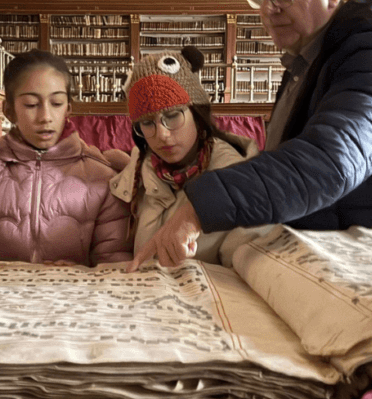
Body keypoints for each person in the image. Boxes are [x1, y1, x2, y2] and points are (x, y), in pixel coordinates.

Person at [129, 0, 372, 270]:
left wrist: (197, 207)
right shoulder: (303, 63)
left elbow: (330, 161)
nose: (267, 8)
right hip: (338, 262)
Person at [0, 49, 133, 266]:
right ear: (9, 111)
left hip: (74, 296)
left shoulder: (101, 178)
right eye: (31, 104)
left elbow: (115, 260)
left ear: (69, 109)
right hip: (0, 296)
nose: (45, 117)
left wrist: (82, 274)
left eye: (57, 104)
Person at [109, 47, 266, 265]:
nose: (162, 135)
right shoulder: (138, 174)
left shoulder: (238, 177)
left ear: (197, 115)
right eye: (147, 123)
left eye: (172, 116)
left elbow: (250, 260)